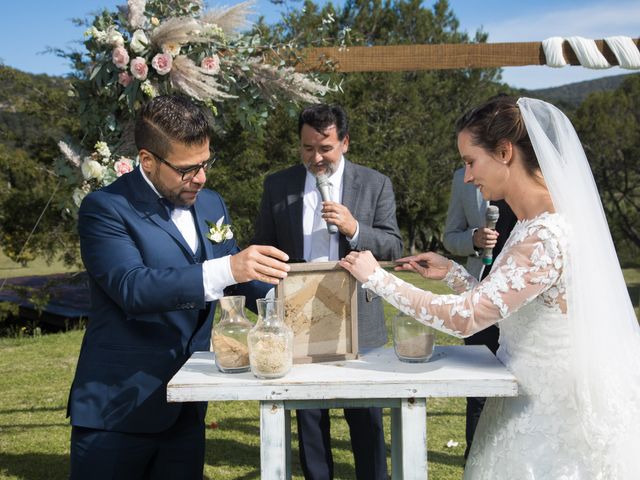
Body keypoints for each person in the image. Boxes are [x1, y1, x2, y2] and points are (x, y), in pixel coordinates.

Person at [340, 96, 640, 478]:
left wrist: (377, 277)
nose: (466, 176)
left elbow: (466, 319)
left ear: (504, 152)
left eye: (470, 162)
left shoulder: (546, 234)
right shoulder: (531, 223)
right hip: (522, 392)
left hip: (552, 416)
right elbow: (510, 301)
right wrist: (451, 272)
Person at [67, 95, 290, 480]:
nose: (201, 178)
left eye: (205, 163)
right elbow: (131, 288)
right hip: (119, 405)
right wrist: (227, 267)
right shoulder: (105, 208)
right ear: (148, 160)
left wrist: (288, 302)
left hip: (188, 403)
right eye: (187, 169)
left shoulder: (211, 204)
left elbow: (238, 274)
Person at [253, 103, 402, 480]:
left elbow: (392, 248)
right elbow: (263, 246)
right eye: (307, 149)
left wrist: (355, 229)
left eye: (325, 148)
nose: (316, 158)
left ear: (345, 143)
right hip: (298, 320)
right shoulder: (278, 185)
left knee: (366, 421)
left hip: (359, 320)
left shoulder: (375, 183)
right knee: (310, 423)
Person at [442, 166, 517, 458]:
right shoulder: (463, 178)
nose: (469, 171)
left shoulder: (535, 177)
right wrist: (473, 239)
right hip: (480, 296)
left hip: (526, 301)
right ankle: (475, 462)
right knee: (480, 391)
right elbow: (450, 236)